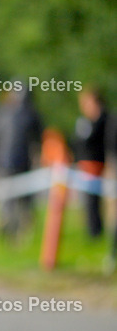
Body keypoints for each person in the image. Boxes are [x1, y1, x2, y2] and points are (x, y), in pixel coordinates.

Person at [0, 86, 43, 237]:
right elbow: (39, 137)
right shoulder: (30, 113)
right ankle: (19, 230)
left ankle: (8, 226)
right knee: (22, 200)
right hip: (21, 164)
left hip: (3, 163)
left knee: (7, 199)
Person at [73, 87, 109, 239]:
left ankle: (96, 232)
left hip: (97, 164)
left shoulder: (104, 119)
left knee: (94, 200)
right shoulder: (86, 122)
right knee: (89, 201)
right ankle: (93, 232)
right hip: (86, 164)